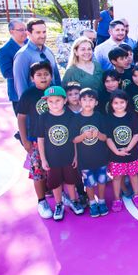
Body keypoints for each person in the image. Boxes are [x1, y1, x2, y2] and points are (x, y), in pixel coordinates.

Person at [37, 86, 84, 220]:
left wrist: (75, 155)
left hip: (68, 156)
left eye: (57, 100)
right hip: (52, 158)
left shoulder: (70, 115)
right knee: (55, 183)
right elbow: (41, 139)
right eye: (50, 101)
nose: (54, 104)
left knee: (70, 181)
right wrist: (43, 159)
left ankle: (74, 201)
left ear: (64, 100)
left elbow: (74, 138)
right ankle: (59, 204)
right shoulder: (43, 117)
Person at [16, 61, 53, 219]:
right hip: (35, 140)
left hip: (54, 139)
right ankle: (41, 201)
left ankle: (59, 194)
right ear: (32, 78)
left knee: (55, 168)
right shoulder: (28, 95)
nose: (43, 77)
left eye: (46, 74)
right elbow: (21, 118)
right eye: (39, 75)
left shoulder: (55, 91)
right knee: (38, 171)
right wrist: (25, 140)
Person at [71, 88, 109, 217]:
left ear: (96, 103)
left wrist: (97, 134)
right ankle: (92, 203)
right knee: (89, 183)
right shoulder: (76, 119)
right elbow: (74, 140)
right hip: (85, 159)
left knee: (102, 181)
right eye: (84, 99)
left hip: (100, 158)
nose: (88, 102)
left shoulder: (99, 117)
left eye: (91, 100)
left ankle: (102, 201)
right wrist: (83, 136)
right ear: (79, 102)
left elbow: (105, 137)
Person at [105, 89, 138, 212]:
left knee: (133, 175)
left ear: (126, 102)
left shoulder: (132, 116)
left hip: (131, 153)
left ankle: (137, 195)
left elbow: (136, 135)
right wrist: (116, 151)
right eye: (115, 103)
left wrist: (128, 148)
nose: (119, 105)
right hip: (116, 155)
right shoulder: (109, 118)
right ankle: (116, 198)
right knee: (117, 177)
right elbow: (108, 138)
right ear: (111, 104)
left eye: (122, 102)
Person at [13, 19, 61, 99]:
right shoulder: (22, 55)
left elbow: (56, 78)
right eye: (38, 32)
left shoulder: (49, 51)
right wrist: (27, 106)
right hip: (34, 102)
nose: (42, 36)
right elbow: (21, 85)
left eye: (44, 32)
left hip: (54, 104)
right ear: (28, 33)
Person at [0, 20, 27, 113]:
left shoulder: (31, 44)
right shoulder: (4, 50)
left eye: (26, 29)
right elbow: (7, 73)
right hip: (18, 93)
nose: (25, 32)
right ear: (11, 32)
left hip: (35, 90)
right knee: (24, 123)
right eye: (21, 30)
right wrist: (31, 73)